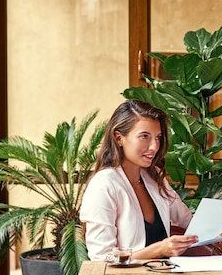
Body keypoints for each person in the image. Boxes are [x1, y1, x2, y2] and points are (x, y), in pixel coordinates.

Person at [80, 99, 198, 261]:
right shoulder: (103, 185)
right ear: (119, 138)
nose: (154, 146)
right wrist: (158, 250)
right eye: (144, 136)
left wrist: (218, 234)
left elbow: (186, 220)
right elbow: (102, 259)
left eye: (157, 137)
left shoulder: (154, 176)